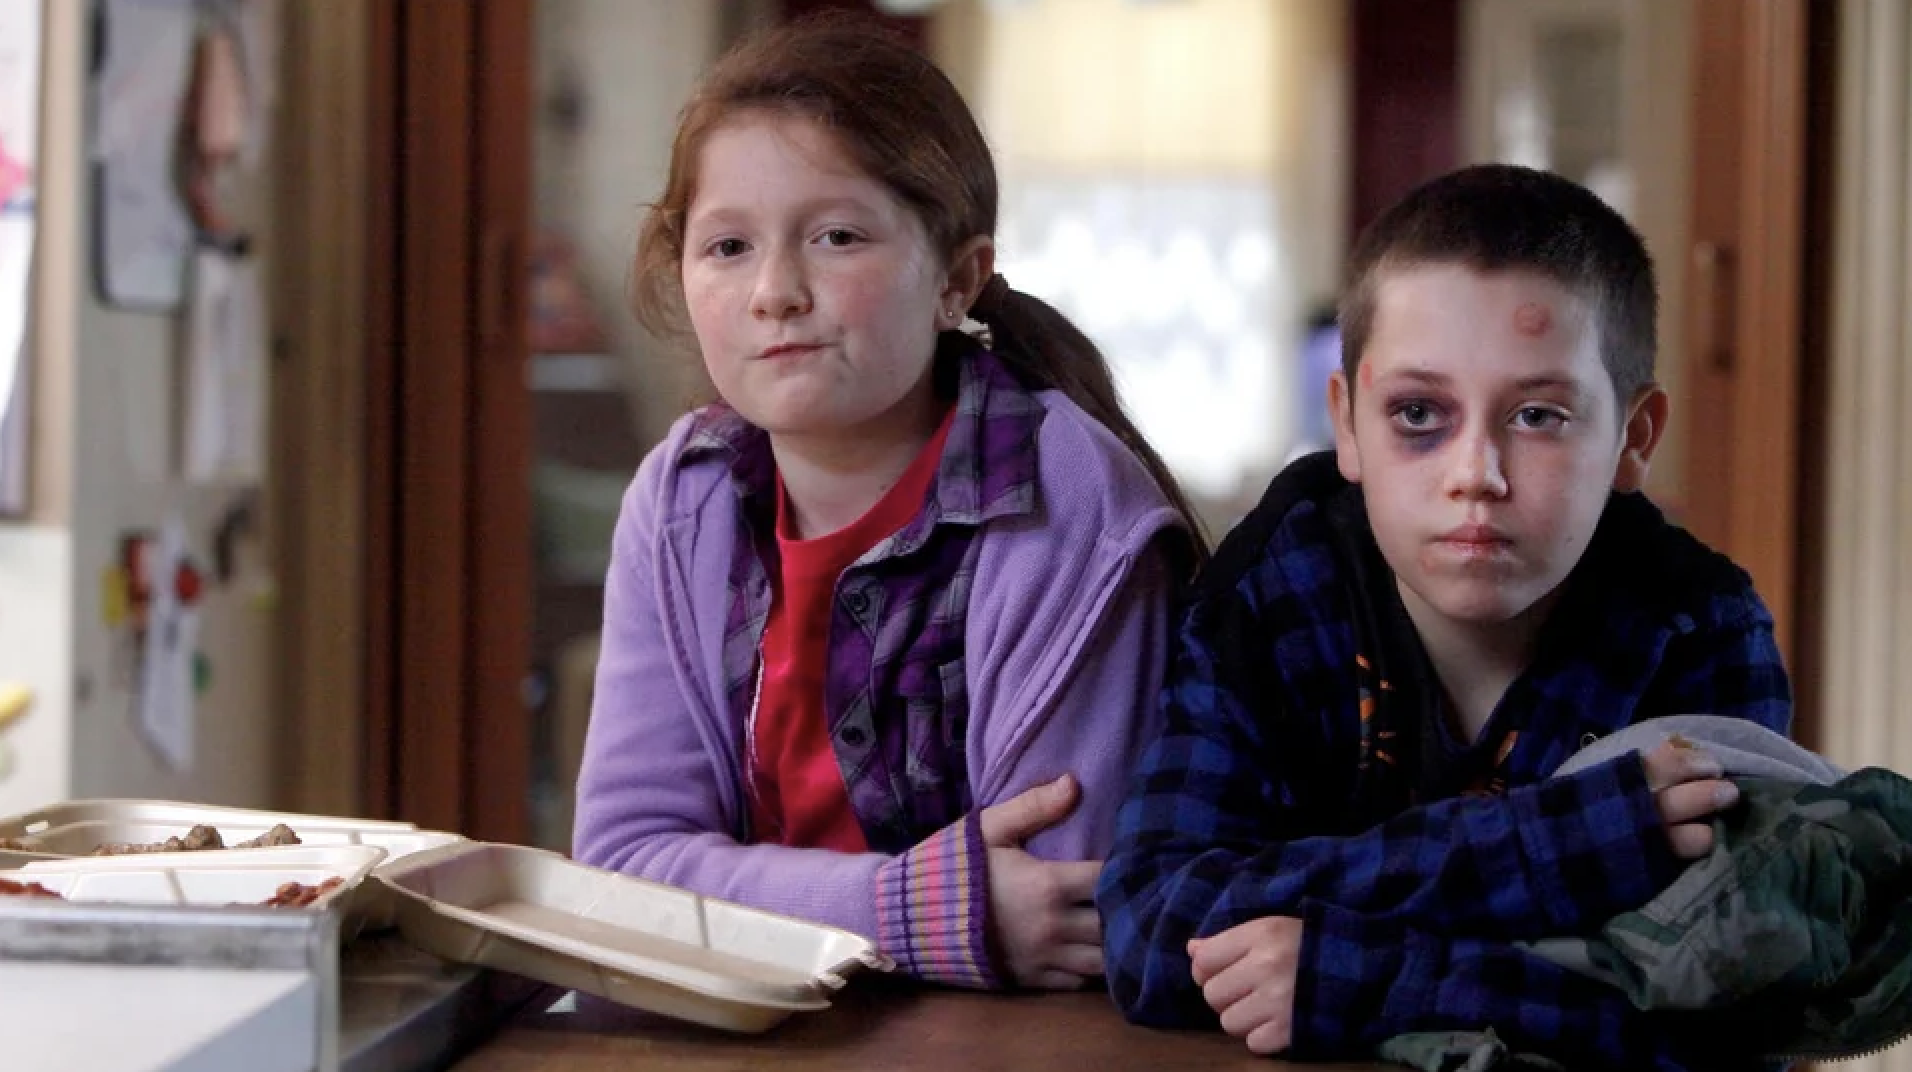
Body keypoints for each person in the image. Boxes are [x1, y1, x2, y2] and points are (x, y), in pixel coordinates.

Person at [1095, 164, 1792, 1068]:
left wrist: (1375, 979)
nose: (1476, 474)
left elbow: (1744, 1029)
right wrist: (1559, 843)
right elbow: (1155, 927)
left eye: (1538, 416)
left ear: (1633, 438)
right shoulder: (1272, 594)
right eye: (1418, 413)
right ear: (1347, 424)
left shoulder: (1700, 632)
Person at [572, 14, 1202, 993]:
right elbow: (620, 870)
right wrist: (920, 909)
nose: (775, 291)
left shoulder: (1064, 501)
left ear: (956, 279)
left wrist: (730, 900)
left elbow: (1058, 908)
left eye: (836, 237)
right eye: (728, 245)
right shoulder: (682, 496)